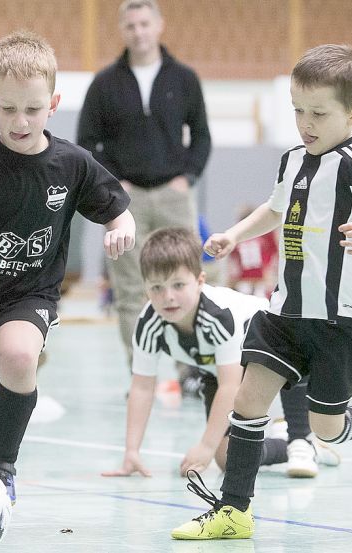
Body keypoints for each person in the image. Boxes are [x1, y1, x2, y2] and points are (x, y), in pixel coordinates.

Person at [171, 44, 352, 541]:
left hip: (337, 320)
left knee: (328, 428)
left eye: (319, 113)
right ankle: (234, 510)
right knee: (248, 399)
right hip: (283, 313)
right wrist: (235, 234)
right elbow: (276, 209)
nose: (306, 122)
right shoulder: (293, 161)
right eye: (298, 110)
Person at [0, 30, 135, 504]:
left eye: (32, 109)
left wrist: (123, 225)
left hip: (29, 294)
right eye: (9, 108)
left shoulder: (72, 164)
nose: (20, 120)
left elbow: (117, 206)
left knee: (19, 355)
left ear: (54, 103)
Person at [102, 228, 340, 480]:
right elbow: (142, 388)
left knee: (291, 347)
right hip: (224, 371)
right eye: (157, 287)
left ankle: (300, 439)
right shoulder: (149, 323)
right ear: (145, 290)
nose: (168, 296)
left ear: (200, 281)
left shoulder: (217, 317)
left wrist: (204, 446)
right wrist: (131, 451)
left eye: (178, 285)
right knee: (227, 457)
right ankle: (299, 446)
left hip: (285, 346)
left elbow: (230, 386)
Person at [77, 0, 211, 371]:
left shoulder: (184, 79)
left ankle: (192, 371)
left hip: (174, 195)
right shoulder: (104, 84)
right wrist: (114, 185)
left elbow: (201, 137)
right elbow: (87, 142)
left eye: (144, 24)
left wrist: (188, 178)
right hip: (126, 201)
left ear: (159, 26)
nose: (138, 32)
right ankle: (142, 372)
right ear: (123, 30)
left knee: (185, 282)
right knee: (131, 290)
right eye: (131, 26)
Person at [227, 205, 279, 298]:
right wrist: (231, 280)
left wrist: (270, 272)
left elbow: (275, 252)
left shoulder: (266, 234)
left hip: (260, 279)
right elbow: (233, 259)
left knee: (262, 301)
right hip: (244, 279)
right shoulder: (238, 236)